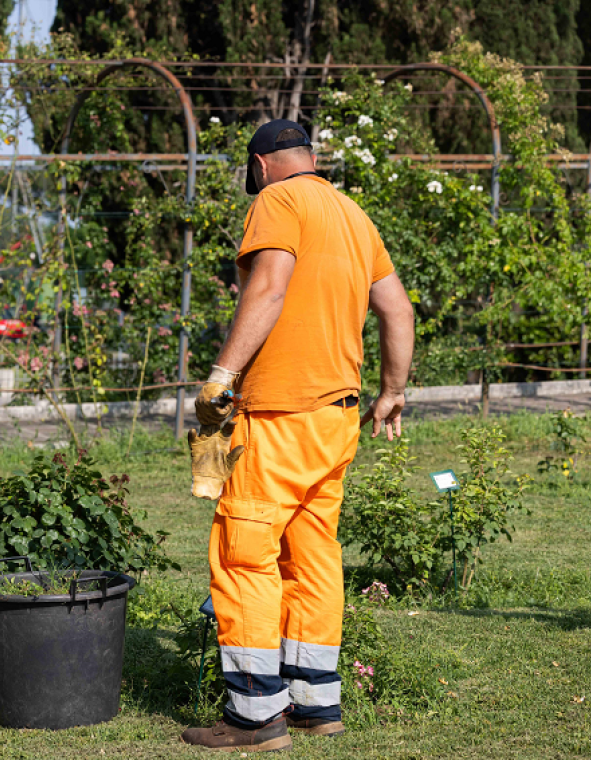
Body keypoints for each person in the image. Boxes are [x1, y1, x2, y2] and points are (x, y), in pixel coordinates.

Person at [181, 119, 415, 751]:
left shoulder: (276, 201)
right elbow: (397, 309)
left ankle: (255, 717)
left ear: (260, 166)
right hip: (337, 418)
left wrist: (220, 378)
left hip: (278, 417)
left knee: (243, 555)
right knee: (312, 558)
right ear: (310, 157)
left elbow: (270, 286)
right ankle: (316, 703)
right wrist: (392, 391)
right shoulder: (352, 213)